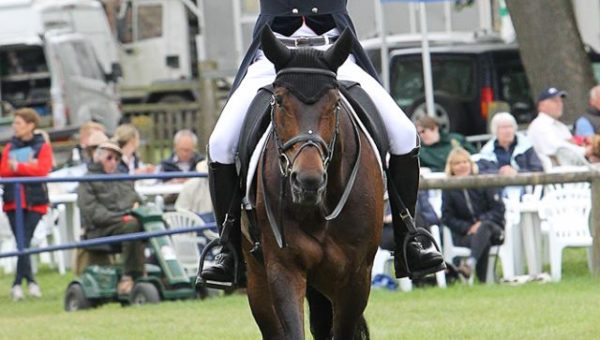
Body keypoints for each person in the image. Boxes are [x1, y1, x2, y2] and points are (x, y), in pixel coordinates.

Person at [200, 0, 444, 285]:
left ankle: (409, 240)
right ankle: (228, 249)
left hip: (333, 56)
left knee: (404, 135)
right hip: (274, 57)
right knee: (219, 144)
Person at [77, 141, 145, 295]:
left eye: (116, 159)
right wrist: (121, 218)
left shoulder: (122, 178)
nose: (113, 162)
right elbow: (93, 213)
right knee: (132, 226)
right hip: (100, 230)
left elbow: (137, 199)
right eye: (109, 158)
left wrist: (138, 208)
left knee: (155, 224)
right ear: (98, 158)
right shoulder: (87, 181)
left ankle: (170, 271)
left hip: (123, 223)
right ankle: (130, 276)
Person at [0, 108, 53, 301]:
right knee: (22, 242)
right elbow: (4, 170)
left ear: (31, 125)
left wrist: (20, 167)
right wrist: (28, 166)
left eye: (18, 123)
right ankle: (30, 282)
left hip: (35, 201)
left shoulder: (42, 146)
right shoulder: (9, 146)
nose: (15, 127)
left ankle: (17, 284)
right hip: (13, 201)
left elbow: (42, 170)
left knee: (24, 241)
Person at [441, 147, 505, 283]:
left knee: (485, 227)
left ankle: (470, 265)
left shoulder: (483, 181)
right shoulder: (448, 188)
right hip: (466, 234)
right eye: (457, 163)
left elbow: (498, 209)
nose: (462, 165)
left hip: (494, 230)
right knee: (483, 239)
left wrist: (480, 223)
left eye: (465, 162)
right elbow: (447, 217)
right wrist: (467, 228)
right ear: (451, 167)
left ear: (471, 163)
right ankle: (483, 281)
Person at [527, 87, 588, 168]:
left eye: (560, 101)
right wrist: (586, 151)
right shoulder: (539, 125)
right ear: (541, 106)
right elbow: (559, 150)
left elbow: (572, 144)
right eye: (554, 101)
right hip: (555, 174)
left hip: (573, 169)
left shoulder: (560, 126)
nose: (559, 104)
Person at [475, 112, 544, 175]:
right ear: (495, 131)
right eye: (503, 127)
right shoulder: (487, 152)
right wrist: (500, 173)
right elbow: (481, 172)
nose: (508, 131)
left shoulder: (526, 147)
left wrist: (517, 173)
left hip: (525, 187)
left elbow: (538, 168)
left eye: (510, 127)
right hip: (498, 187)